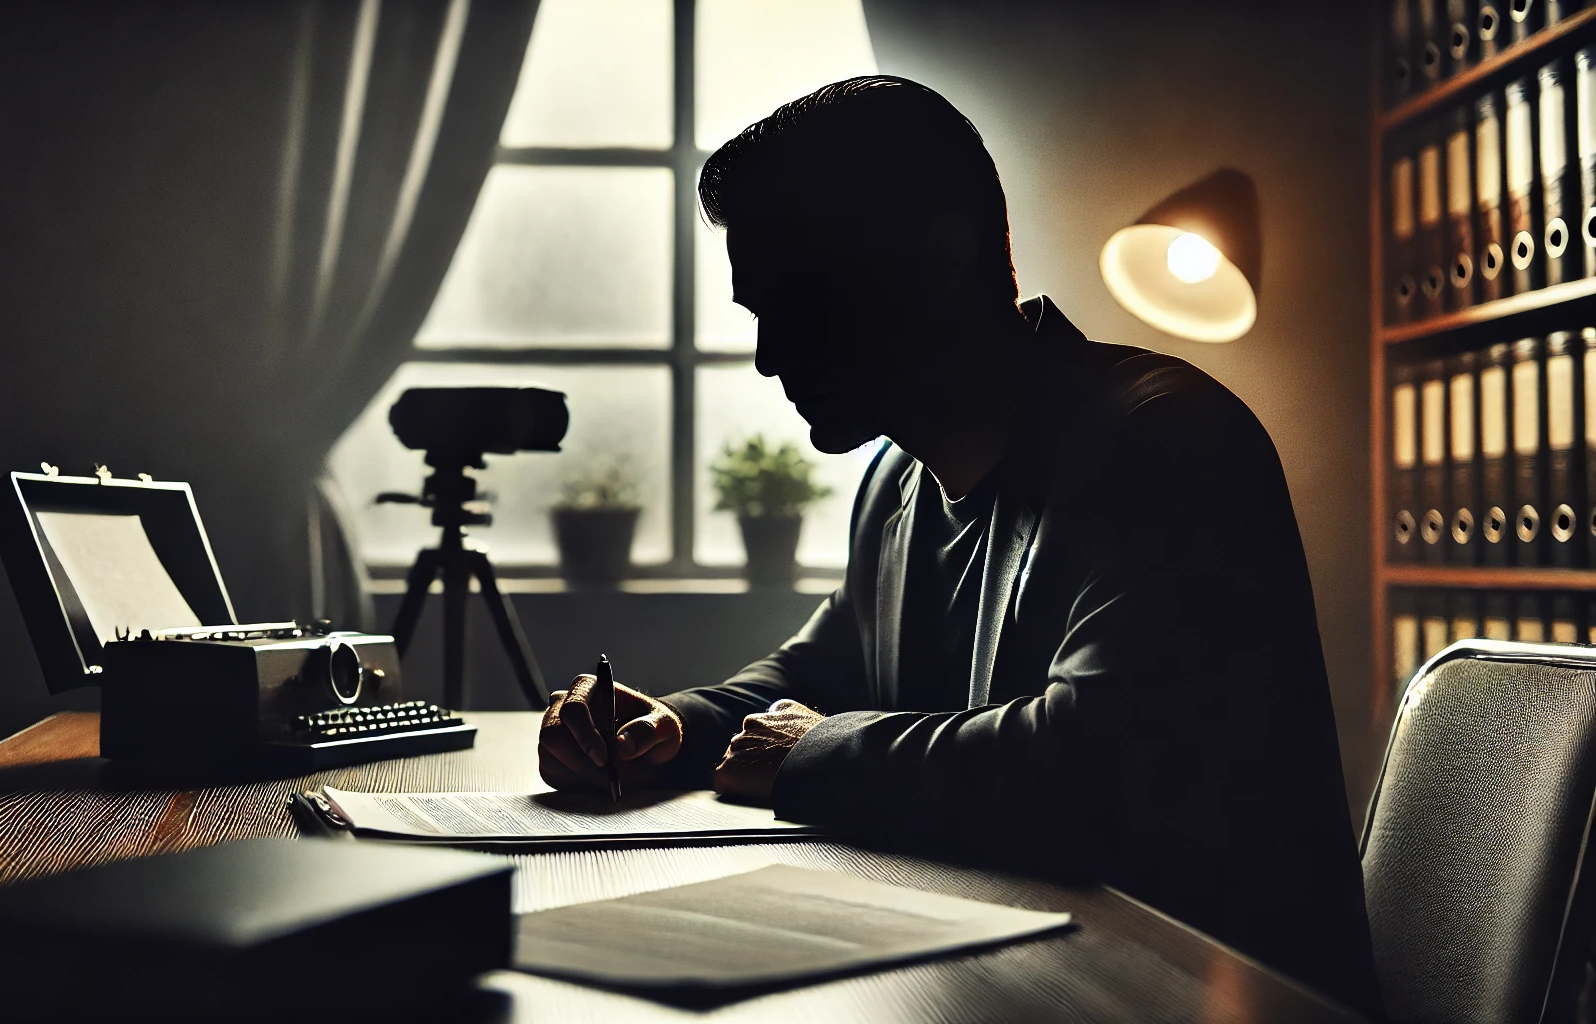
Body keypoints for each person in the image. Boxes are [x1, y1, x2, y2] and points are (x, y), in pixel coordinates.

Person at [536, 76, 1379, 1013]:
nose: (771, 356)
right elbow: (820, 671)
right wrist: (671, 727)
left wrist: (818, 755)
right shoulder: (895, 484)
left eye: (800, 305)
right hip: (1028, 981)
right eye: (755, 315)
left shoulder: (1168, 446)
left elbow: (1100, 765)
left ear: (942, 256)